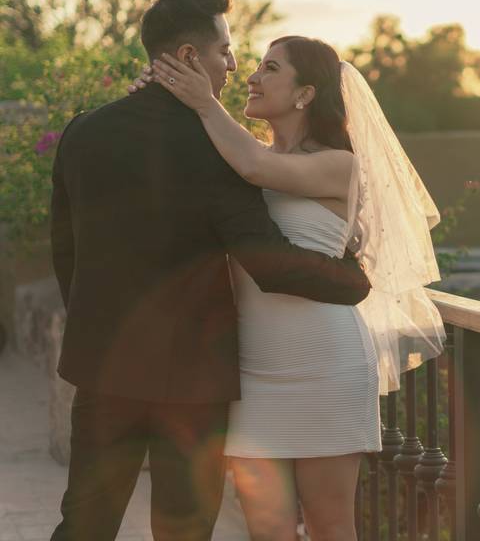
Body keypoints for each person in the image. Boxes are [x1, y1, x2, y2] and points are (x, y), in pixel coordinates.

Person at [49, 0, 372, 541]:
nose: (234, 65)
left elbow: (66, 252)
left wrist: (97, 330)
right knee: (183, 530)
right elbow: (266, 261)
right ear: (191, 57)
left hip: (103, 366)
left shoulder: (83, 132)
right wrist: (352, 279)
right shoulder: (220, 150)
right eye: (226, 50)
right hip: (194, 381)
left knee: (83, 523)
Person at [138, 34, 445, 539]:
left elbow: (256, 167)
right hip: (254, 375)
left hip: (329, 366)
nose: (252, 76)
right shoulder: (242, 152)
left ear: (305, 94)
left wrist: (203, 99)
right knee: (268, 529)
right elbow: (226, 156)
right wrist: (157, 92)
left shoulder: (339, 164)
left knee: (330, 527)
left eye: (270, 68)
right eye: (257, 65)